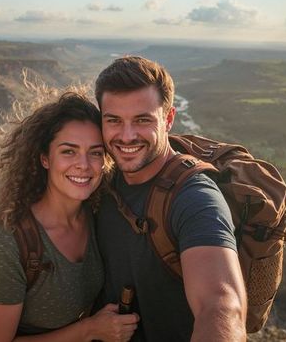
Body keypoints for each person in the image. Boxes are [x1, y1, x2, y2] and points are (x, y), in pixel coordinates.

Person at [94, 56, 248, 341]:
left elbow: (220, 305)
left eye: (142, 120)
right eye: (114, 120)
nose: (127, 136)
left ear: (168, 119)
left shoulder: (195, 197)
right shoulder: (99, 184)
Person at [0, 92, 139, 342]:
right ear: (45, 158)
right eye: (69, 152)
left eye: (95, 153)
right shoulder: (6, 248)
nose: (84, 164)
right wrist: (89, 330)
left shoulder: (93, 212)